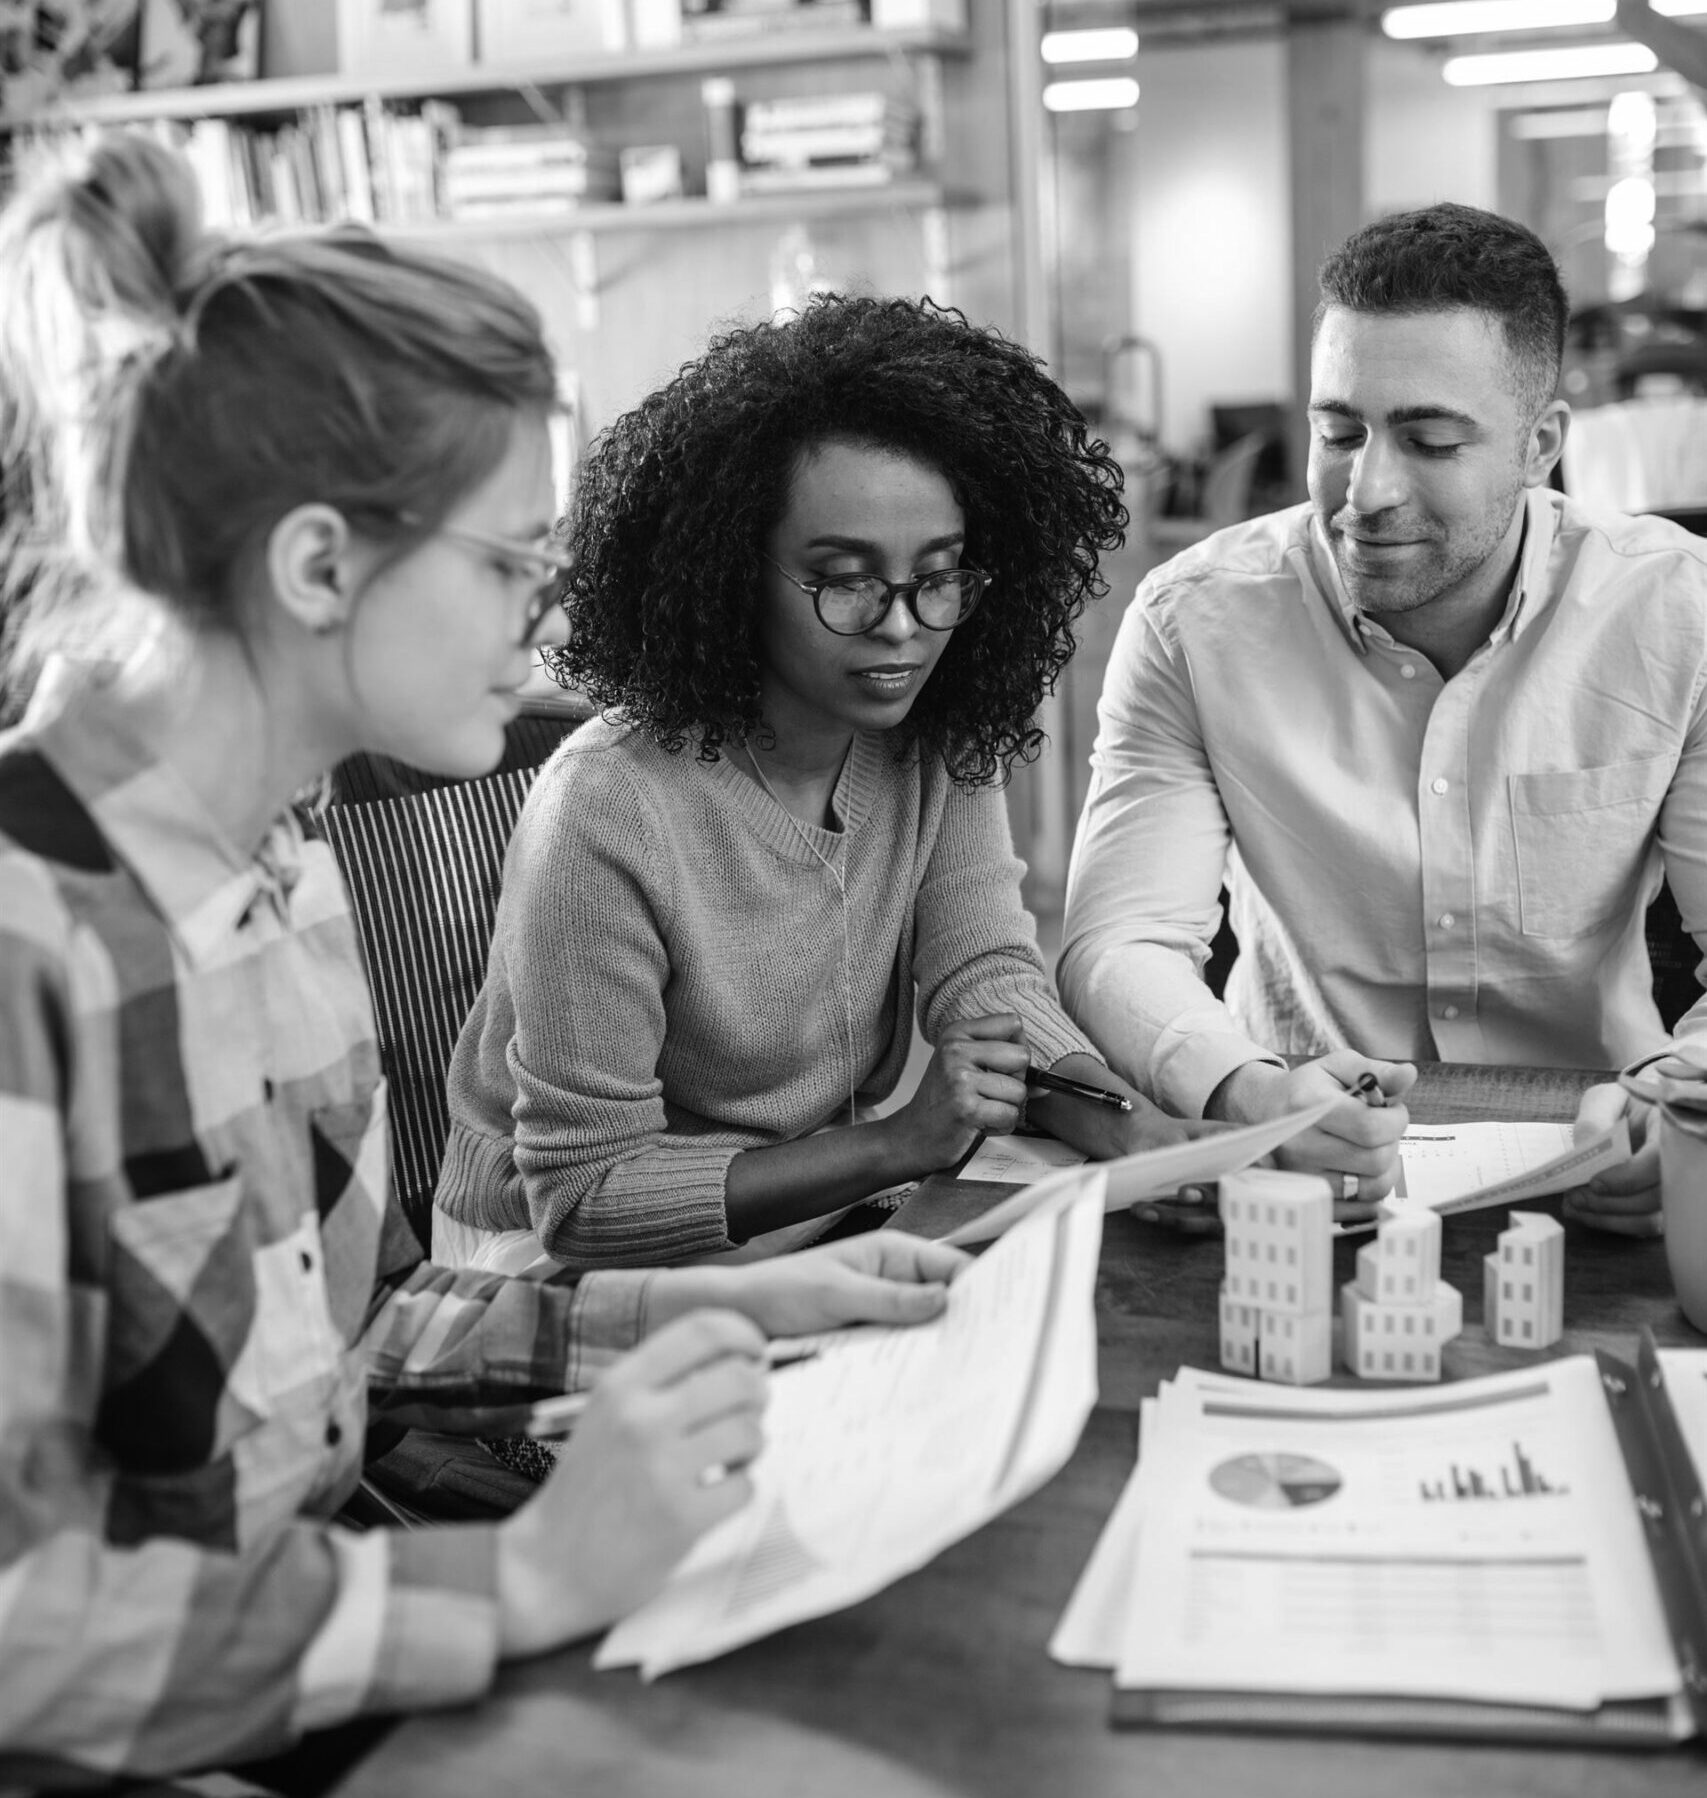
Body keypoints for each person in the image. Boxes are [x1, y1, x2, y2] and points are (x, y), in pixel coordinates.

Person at [0, 131, 972, 1789]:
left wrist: (708, 1298)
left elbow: (362, 1343)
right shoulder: (30, 947)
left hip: (315, 1665)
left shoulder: (281, 867)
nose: (551, 619)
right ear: (319, 566)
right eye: (513, 562)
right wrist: (514, 1576)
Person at [432, 295, 1185, 1275]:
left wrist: (1134, 1128)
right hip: (545, 1268)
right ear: (733, 575)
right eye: (847, 579)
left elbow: (988, 984)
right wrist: (893, 1144)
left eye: (939, 576)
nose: (905, 627)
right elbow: (581, 1199)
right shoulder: (609, 810)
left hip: (813, 1208)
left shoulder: (934, 732)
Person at [1059, 200, 1707, 1233]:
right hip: (1299, 1164)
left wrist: (1679, 1104)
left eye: (1432, 439)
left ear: (1541, 445)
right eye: (1338, 432)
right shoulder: (1197, 622)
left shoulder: (1677, 611)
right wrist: (1245, 1090)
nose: (1368, 490)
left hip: (1601, 1161)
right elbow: (1117, 941)